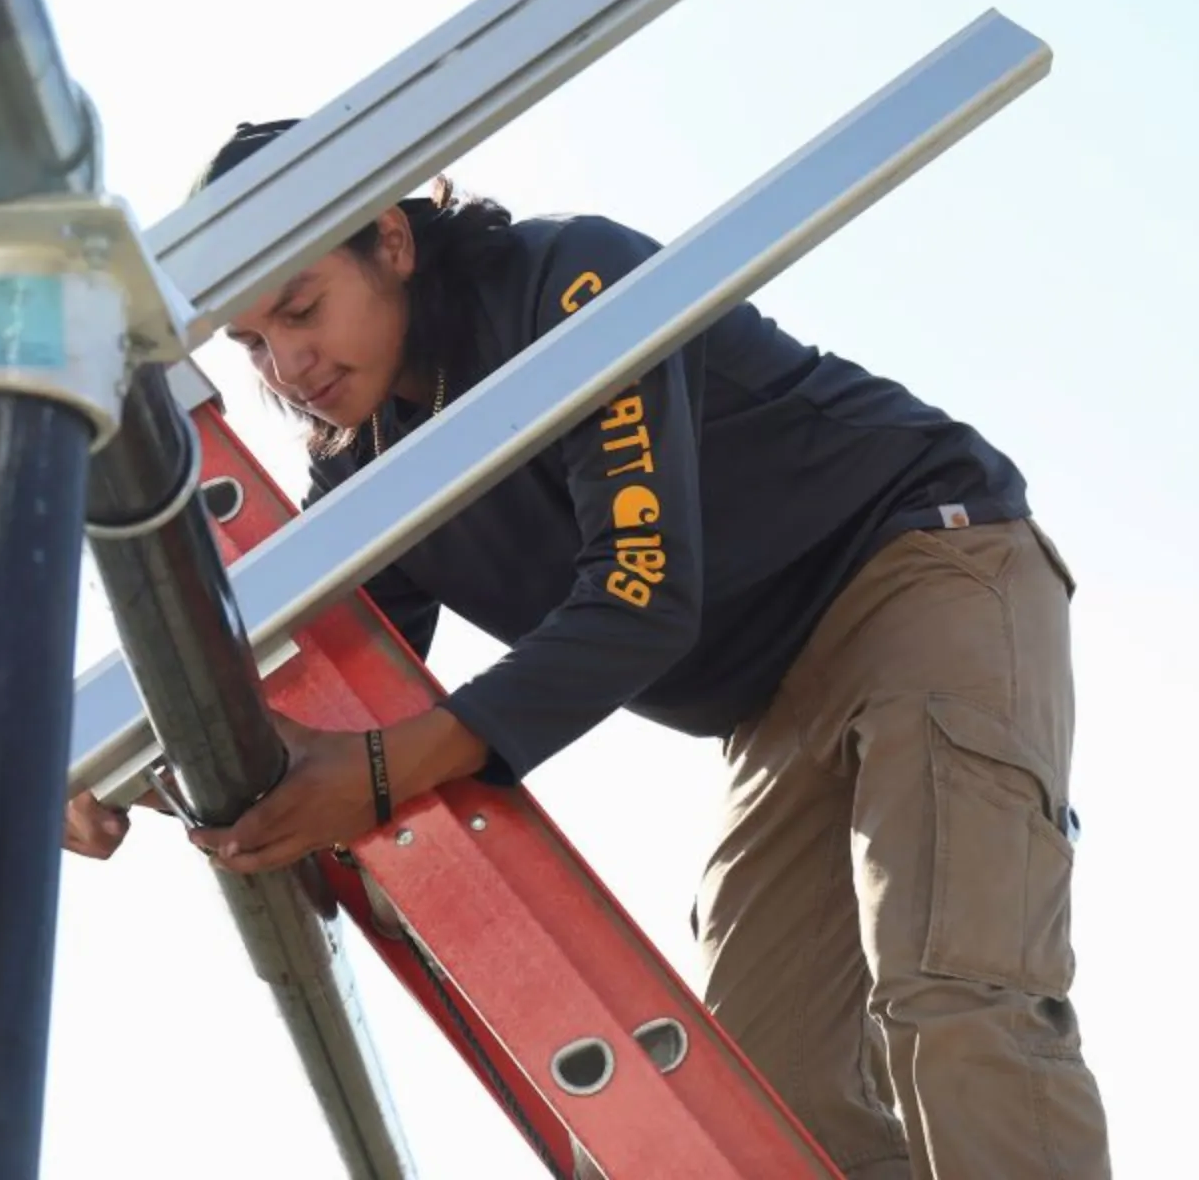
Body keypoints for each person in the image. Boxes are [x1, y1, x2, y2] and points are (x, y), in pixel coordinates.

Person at [65, 118, 1112, 1180]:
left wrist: (378, 768)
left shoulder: (568, 283)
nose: (287, 365)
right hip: (771, 698)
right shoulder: (367, 475)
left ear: (390, 239)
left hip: (914, 570)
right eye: (250, 343)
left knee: (954, 991)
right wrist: (148, 761)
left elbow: (637, 599)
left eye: (299, 308)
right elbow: (322, 721)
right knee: (767, 1105)